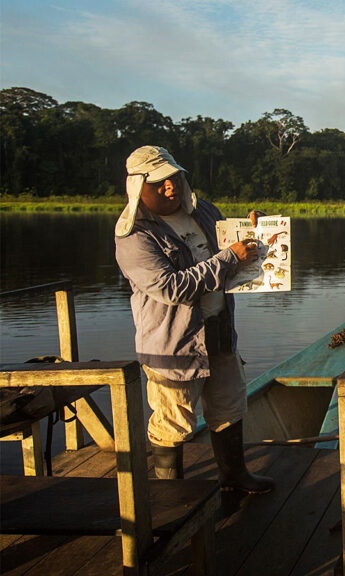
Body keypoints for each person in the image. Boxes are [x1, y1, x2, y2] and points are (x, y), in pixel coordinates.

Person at [114, 145, 274, 494]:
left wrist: (255, 230)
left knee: (229, 407)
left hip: (219, 333)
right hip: (175, 345)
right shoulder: (135, 235)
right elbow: (171, 288)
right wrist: (230, 258)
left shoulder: (203, 211)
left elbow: (230, 246)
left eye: (174, 177)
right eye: (159, 183)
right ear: (138, 187)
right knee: (173, 421)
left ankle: (235, 477)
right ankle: (169, 495)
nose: (170, 186)